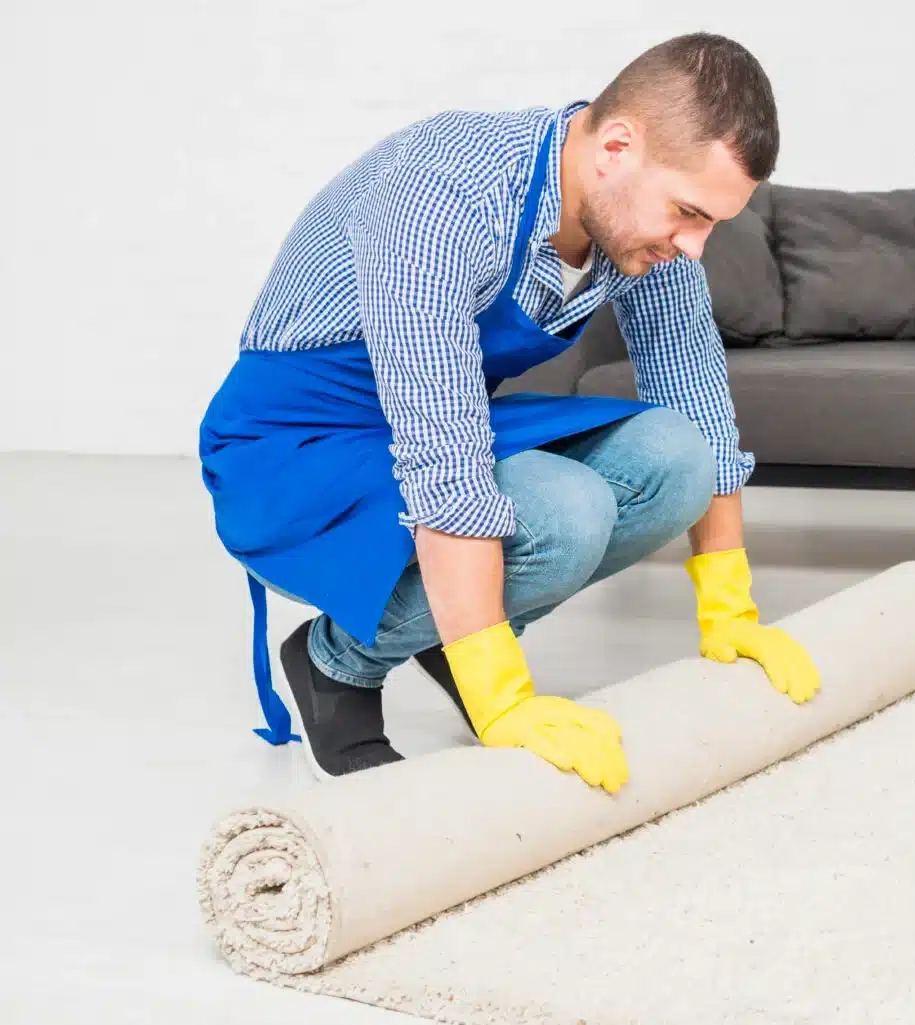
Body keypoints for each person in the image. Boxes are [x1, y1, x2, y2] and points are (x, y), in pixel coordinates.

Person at [197, 32, 821, 791]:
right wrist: (502, 699)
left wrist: (731, 612)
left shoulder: (635, 225)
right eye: (688, 212)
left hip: (432, 415)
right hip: (293, 450)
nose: (694, 247)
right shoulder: (441, 195)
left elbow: (695, 390)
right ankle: (336, 663)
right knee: (563, 511)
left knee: (675, 458)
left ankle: (452, 629)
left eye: (712, 223)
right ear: (616, 147)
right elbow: (444, 456)